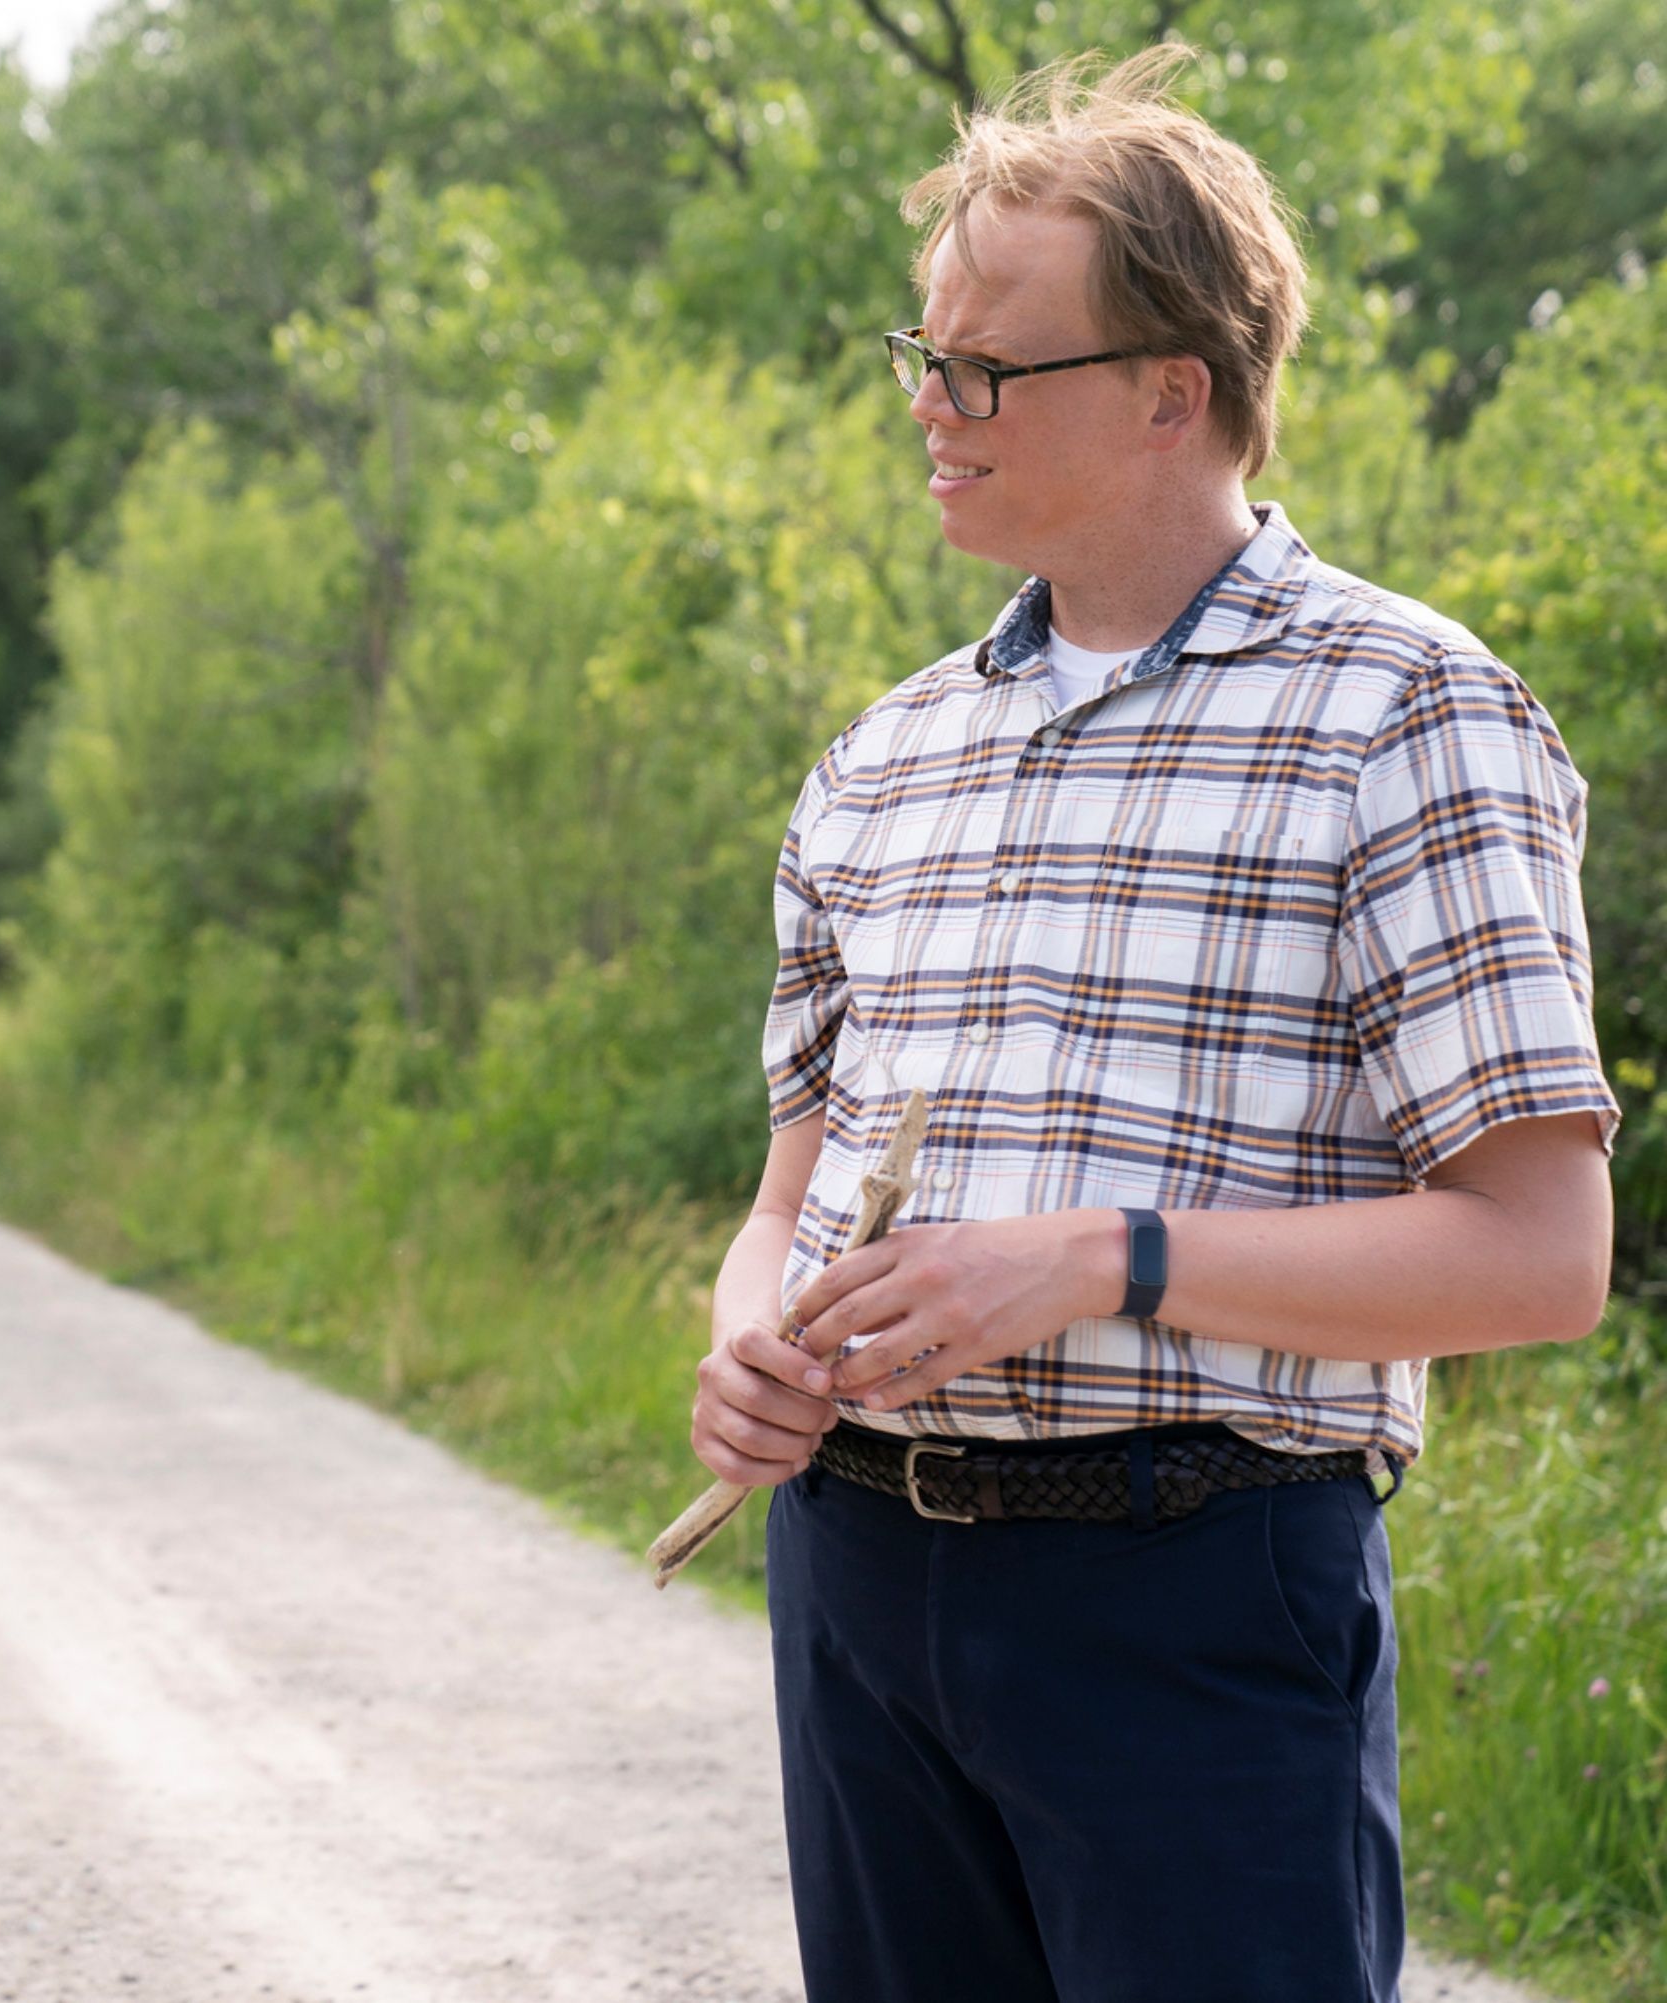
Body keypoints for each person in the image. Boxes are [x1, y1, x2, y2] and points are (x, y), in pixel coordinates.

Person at [685, 49, 1619, 2003]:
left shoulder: (1408, 715)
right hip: (852, 1585)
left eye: (988, 369)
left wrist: (1102, 1264)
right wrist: (749, 1338)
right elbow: (782, 1204)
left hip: (1189, 1592)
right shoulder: (880, 763)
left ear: (1171, 390)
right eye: (918, 355)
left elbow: (1544, 1260)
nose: (932, 408)